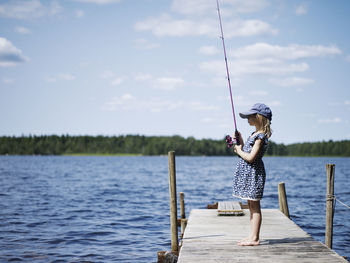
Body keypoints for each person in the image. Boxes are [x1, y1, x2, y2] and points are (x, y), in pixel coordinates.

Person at [232, 103, 272, 246]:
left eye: (250, 116)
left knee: (255, 206)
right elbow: (247, 151)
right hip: (248, 174)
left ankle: (255, 238)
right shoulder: (254, 134)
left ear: (259, 117)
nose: (247, 118)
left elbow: (250, 157)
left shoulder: (260, 137)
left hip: (254, 174)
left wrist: (238, 151)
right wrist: (240, 141)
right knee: (250, 205)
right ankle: (251, 236)